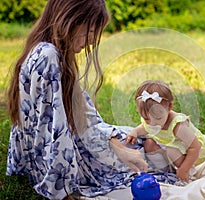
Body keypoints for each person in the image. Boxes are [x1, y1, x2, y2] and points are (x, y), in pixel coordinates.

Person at [6, 0, 148, 199]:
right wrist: (62, 192)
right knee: (150, 148)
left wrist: (119, 147)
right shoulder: (47, 56)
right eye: (91, 32)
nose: (91, 41)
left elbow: (86, 115)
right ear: (70, 20)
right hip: (49, 163)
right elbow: (52, 132)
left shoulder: (53, 53)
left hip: (62, 148)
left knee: (142, 141)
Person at [126, 80, 205, 182]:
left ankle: (186, 174)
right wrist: (135, 132)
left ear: (169, 107)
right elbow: (144, 127)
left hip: (193, 154)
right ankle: (166, 171)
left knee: (172, 150)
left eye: (157, 118)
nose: (151, 124)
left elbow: (195, 147)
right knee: (148, 143)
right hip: (170, 145)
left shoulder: (178, 126)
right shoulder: (151, 120)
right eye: (146, 118)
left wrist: (184, 169)